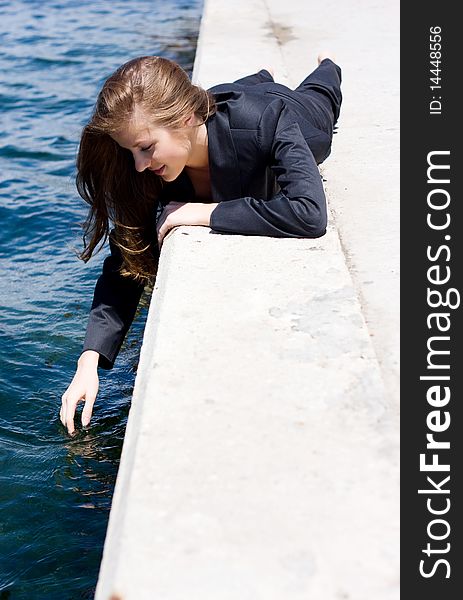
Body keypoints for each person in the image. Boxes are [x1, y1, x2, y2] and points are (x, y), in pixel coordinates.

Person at [60, 53, 342, 434]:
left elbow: (309, 213)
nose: (139, 164)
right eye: (131, 152)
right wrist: (88, 362)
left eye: (145, 148)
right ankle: (259, 73)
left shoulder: (267, 121)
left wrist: (202, 212)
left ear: (186, 118)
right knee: (232, 93)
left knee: (319, 100)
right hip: (218, 103)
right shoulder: (153, 163)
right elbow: (125, 262)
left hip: (287, 109)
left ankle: (324, 64)